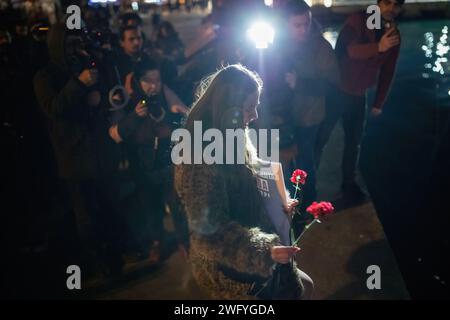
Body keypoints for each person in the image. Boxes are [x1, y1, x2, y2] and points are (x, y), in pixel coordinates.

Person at [174, 64, 313, 300]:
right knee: (302, 290)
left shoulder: (230, 129)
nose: (255, 115)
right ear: (228, 107)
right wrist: (264, 250)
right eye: (249, 108)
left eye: (256, 106)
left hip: (254, 245)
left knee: (305, 287)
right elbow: (209, 235)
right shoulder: (198, 161)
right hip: (230, 270)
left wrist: (278, 199)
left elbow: (252, 169)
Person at [34, 24, 126, 281]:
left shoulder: (87, 66)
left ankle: (115, 254)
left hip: (100, 152)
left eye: (78, 43)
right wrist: (78, 84)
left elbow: (108, 98)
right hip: (74, 159)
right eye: (70, 44)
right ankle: (99, 260)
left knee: (110, 207)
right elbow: (53, 107)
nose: (75, 49)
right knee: (87, 217)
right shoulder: (45, 76)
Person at [315, 0, 403, 200]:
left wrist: (379, 102)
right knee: (322, 136)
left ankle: (348, 183)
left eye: (396, 5)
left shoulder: (393, 35)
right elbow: (350, 50)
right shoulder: (359, 20)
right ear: (378, 4)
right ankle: (305, 180)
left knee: (353, 142)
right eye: (387, 3)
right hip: (337, 90)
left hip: (358, 94)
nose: (391, 8)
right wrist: (378, 47)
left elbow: (388, 71)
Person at [109, 58, 188, 264]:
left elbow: (184, 113)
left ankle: (184, 242)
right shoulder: (125, 99)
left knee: (177, 202)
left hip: (167, 158)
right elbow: (115, 134)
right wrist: (134, 117)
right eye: (148, 81)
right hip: (143, 163)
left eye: (157, 80)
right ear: (137, 80)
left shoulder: (165, 92)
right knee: (151, 207)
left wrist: (174, 116)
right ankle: (157, 242)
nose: (153, 86)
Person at [263, 0, 339, 209]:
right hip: (283, 117)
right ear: (286, 25)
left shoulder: (321, 47)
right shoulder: (278, 45)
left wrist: (300, 84)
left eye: (306, 23)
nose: (303, 29)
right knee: (284, 164)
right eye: (297, 25)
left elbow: (333, 86)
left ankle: (309, 203)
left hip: (309, 116)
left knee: (305, 162)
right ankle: (290, 204)